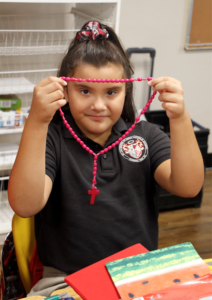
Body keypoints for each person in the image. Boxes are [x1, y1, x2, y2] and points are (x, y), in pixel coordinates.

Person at [8, 21, 204, 298]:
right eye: (84, 91)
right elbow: (25, 205)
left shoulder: (145, 135)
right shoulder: (51, 138)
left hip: (139, 274)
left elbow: (189, 187)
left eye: (111, 92)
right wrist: (37, 123)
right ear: (65, 90)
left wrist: (180, 118)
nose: (98, 106)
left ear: (126, 92)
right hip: (65, 280)